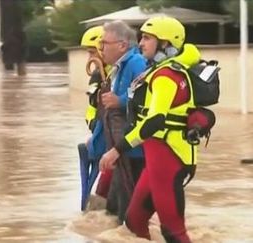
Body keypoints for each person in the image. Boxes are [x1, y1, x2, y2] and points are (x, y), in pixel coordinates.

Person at [99, 16, 203, 242]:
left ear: (165, 43)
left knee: (173, 232)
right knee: (134, 221)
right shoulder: (162, 71)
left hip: (169, 159)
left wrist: (117, 149)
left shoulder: (166, 76)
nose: (141, 43)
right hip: (157, 160)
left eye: (147, 38)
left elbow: (154, 121)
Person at [98, 20, 147, 224]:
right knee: (115, 205)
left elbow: (144, 96)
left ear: (122, 45)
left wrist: (120, 101)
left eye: (104, 43)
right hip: (121, 147)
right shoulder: (118, 67)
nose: (100, 49)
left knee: (127, 205)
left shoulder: (135, 63)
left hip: (132, 149)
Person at [78, 26, 112, 210]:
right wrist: (94, 126)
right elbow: (92, 107)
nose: (89, 57)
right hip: (104, 136)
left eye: (92, 52)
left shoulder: (119, 72)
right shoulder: (99, 75)